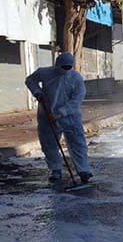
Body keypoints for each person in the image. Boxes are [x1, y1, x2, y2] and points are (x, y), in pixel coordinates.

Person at [25, 52, 92, 182]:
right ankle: (55, 169)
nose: (65, 70)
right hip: (47, 114)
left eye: (68, 67)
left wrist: (59, 113)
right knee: (49, 144)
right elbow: (30, 80)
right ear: (57, 64)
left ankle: (83, 170)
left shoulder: (76, 78)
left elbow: (76, 100)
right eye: (63, 67)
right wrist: (37, 92)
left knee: (77, 143)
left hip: (70, 117)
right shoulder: (45, 73)